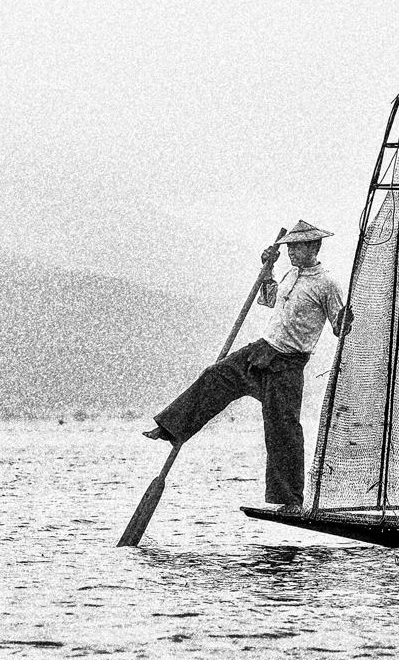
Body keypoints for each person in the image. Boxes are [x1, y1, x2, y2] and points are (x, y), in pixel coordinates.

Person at [142, 219, 349, 514]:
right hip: (261, 351)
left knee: (284, 430)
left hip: (288, 365)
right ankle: (171, 427)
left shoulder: (327, 284)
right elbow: (268, 301)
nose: (291, 252)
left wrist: (346, 319)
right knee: (215, 376)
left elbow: (339, 328)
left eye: (297, 246)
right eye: (289, 247)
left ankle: (290, 500)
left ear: (314, 247)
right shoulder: (291, 275)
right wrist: (267, 273)